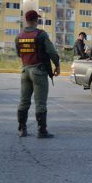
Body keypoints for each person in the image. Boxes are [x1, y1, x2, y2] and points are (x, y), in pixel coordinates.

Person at [15, 10, 60, 138]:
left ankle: (21, 129)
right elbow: (51, 52)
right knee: (40, 102)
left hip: (25, 71)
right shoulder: (41, 34)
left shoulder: (19, 36)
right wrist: (57, 65)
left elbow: (19, 54)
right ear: (36, 20)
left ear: (26, 20)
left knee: (24, 101)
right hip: (38, 71)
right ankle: (41, 131)